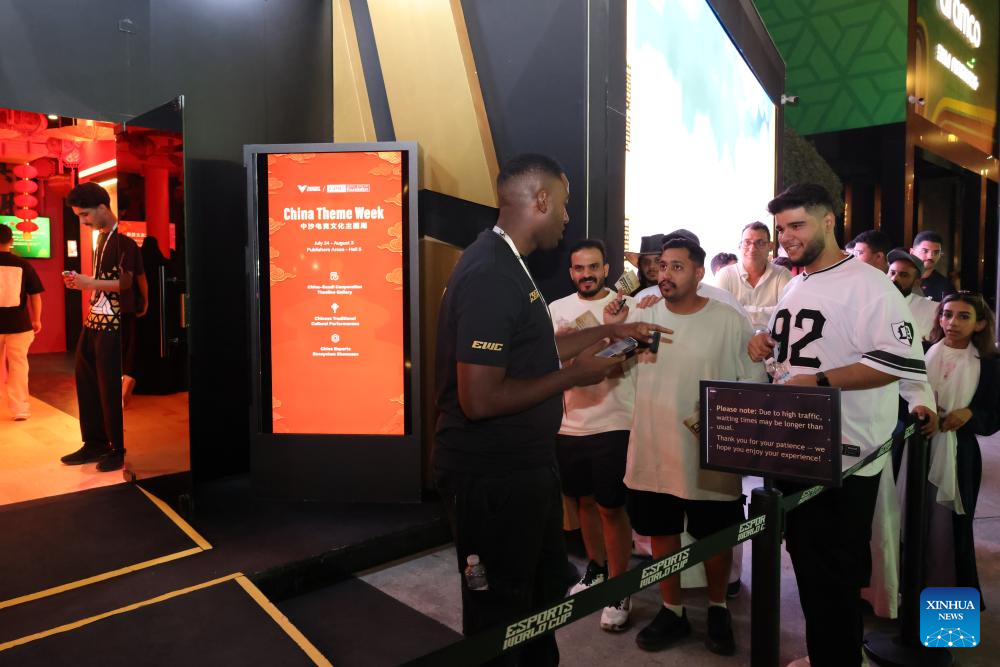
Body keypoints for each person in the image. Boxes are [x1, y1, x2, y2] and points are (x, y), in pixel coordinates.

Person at [433, 154, 668, 666]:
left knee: (538, 600)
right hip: (492, 477)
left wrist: (612, 330)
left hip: (524, 469)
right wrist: (575, 375)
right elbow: (478, 399)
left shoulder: (510, 264)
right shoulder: (491, 272)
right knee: (499, 612)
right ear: (540, 200)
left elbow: (536, 348)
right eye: (563, 203)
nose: (566, 216)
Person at [747, 184, 928, 667]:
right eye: (781, 228)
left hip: (844, 457)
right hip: (798, 446)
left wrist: (820, 381)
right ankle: (828, 655)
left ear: (829, 221)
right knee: (812, 569)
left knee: (833, 575)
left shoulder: (870, 285)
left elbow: (897, 362)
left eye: (797, 225)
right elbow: (801, 346)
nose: (786, 237)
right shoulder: (799, 283)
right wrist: (764, 340)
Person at [607, 237, 763, 655]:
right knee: (662, 531)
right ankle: (672, 609)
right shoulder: (644, 314)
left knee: (716, 535)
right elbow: (615, 368)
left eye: (677, 267)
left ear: (698, 273)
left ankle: (717, 608)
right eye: (662, 266)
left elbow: (752, 380)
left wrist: (732, 427)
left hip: (708, 450)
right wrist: (612, 327)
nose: (666, 274)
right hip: (653, 444)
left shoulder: (727, 319)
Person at [550, 238, 636, 632]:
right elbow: (550, 362)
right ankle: (597, 570)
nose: (587, 274)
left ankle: (620, 587)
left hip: (614, 421)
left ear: (605, 269)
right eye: (579, 268)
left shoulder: (626, 307)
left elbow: (616, 363)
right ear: (571, 272)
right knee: (583, 502)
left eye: (593, 267)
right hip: (569, 424)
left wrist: (593, 342)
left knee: (611, 508)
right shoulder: (557, 310)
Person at [60, 182, 143, 472]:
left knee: (109, 386)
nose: (83, 222)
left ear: (103, 208)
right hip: (95, 320)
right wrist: (85, 282)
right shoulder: (103, 239)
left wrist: (89, 283)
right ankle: (95, 442)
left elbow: (126, 282)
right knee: (87, 382)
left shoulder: (123, 241)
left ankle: (117, 447)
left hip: (113, 323)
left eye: (85, 215)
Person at [923, 292, 999, 599]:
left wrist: (970, 414)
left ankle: (949, 619)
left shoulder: (990, 364)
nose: (952, 322)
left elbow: (994, 413)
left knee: (952, 530)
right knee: (911, 521)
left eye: (963, 316)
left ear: (980, 324)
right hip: (915, 448)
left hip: (959, 452)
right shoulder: (922, 352)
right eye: (947, 314)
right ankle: (907, 602)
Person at [0, 223, 44, 421]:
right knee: (19, 367)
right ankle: (20, 410)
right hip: (19, 325)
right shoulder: (23, 264)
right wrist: (36, 319)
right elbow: (35, 295)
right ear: (11, 241)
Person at [714, 221, 792, 329]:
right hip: (734, 339)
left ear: (770, 246)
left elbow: (787, 315)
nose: (752, 248)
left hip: (771, 339)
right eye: (747, 242)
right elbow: (719, 315)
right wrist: (770, 313)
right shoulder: (725, 275)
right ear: (740, 246)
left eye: (760, 243)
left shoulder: (782, 274)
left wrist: (739, 311)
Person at [886, 248, 938, 341]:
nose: (894, 279)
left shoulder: (931, 309)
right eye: (892, 273)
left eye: (903, 275)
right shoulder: (871, 303)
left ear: (917, 282)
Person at [910, 230, 954, 301]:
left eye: (936, 252)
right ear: (912, 252)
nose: (930, 256)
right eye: (925, 251)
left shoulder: (946, 287)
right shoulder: (899, 279)